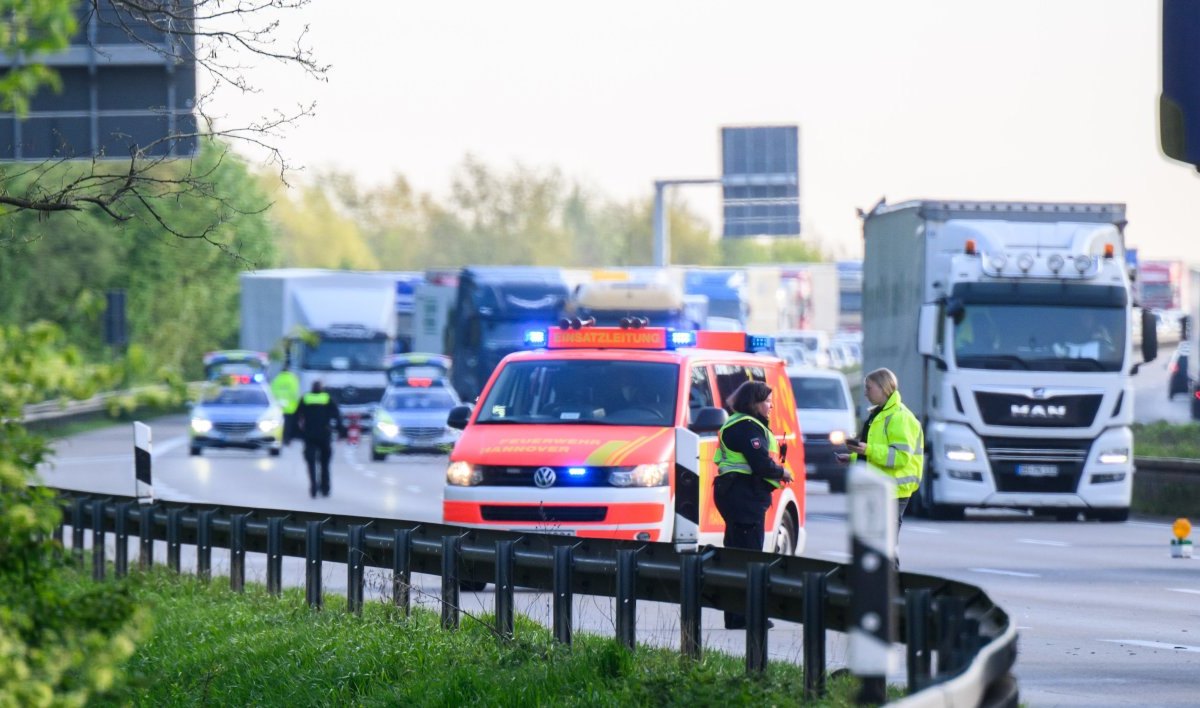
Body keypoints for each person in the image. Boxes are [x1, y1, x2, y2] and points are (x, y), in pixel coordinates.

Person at [712, 380, 793, 630]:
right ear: (754, 402)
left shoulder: (739, 423)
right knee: (748, 557)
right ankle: (745, 616)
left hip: (737, 494)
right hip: (742, 496)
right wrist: (783, 472)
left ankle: (737, 615)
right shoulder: (747, 428)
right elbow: (760, 464)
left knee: (737, 554)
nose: (771, 406)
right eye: (768, 401)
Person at [837, 368, 924, 561]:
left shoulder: (899, 417)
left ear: (883, 388)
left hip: (893, 491)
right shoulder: (879, 415)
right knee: (875, 546)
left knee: (886, 548)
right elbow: (878, 452)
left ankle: (890, 588)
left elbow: (900, 457)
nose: (866, 392)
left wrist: (867, 449)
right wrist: (853, 457)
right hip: (880, 488)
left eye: (869, 388)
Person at [294, 381, 347, 498]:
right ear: (321, 388)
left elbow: (296, 416)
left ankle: (313, 486)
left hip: (309, 435)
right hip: (324, 435)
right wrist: (341, 431)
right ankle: (325, 488)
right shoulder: (327, 398)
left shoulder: (305, 398)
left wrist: (297, 432)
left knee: (311, 462)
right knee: (325, 464)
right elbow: (337, 416)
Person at [270, 366, 301, 445]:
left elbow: (272, 393)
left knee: (279, 424)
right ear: (289, 371)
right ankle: (287, 439)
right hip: (291, 407)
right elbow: (295, 393)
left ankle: (278, 439)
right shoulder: (293, 379)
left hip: (279, 407)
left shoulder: (276, 379)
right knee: (288, 425)